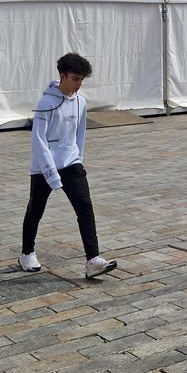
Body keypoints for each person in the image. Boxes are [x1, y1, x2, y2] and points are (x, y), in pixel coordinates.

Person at [21, 52, 118, 279]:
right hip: (44, 167)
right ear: (62, 76)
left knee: (85, 209)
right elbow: (38, 140)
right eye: (75, 78)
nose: (79, 84)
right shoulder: (46, 103)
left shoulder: (81, 102)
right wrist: (51, 174)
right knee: (35, 210)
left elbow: (79, 134)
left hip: (71, 163)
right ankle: (27, 253)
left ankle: (93, 260)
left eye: (82, 79)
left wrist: (78, 160)